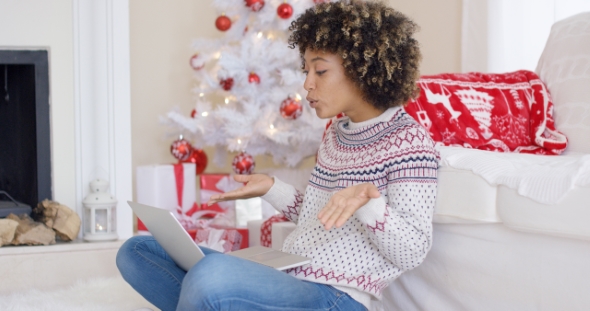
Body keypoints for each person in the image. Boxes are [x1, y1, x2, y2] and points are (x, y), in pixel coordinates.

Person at [116, 1, 439, 310]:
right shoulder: (336, 136)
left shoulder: (409, 142)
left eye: (320, 71)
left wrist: (369, 202)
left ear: (362, 70)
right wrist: (272, 187)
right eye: (306, 70)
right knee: (138, 251)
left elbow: (412, 252)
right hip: (291, 277)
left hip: (338, 299)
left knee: (209, 277)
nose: (306, 84)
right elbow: (317, 217)